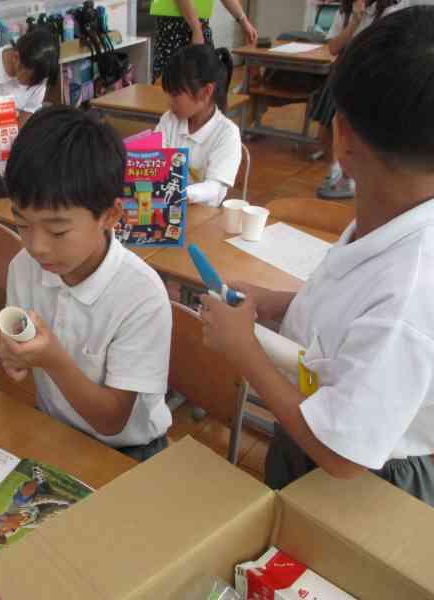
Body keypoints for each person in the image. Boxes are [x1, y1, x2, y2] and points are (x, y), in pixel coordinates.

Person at [200, 6, 434, 506]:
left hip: (366, 479)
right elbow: (355, 310)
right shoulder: (391, 217)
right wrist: (279, 302)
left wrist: (244, 351)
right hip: (315, 421)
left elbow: (342, 455)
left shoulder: (410, 290)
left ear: (341, 137)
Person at [0, 106, 173, 462]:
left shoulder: (142, 296)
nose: (36, 246)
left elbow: (112, 421)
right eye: (22, 224)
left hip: (129, 451)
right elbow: (15, 352)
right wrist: (12, 356)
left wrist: (53, 360)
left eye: (58, 231)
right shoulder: (24, 267)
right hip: (56, 429)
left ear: (110, 215)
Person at [312, 0, 409, 199]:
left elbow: (385, 49)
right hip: (342, 74)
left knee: (358, 134)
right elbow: (333, 47)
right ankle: (335, 171)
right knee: (325, 132)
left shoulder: (390, 9)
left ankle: (350, 178)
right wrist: (354, 21)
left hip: (372, 79)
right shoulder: (346, 10)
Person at [156, 45, 241, 207]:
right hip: (168, 209)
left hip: (205, 214)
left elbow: (214, 188)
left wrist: (181, 194)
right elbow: (155, 161)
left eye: (175, 95)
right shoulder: (169, 120)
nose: (169, 103)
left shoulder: (227, 133)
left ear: (206, 91)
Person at [150, 0, 257, 83]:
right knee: (171, 85)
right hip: (175, 25)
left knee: (203, 82)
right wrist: (196, 29)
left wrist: (243, 20)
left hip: (197, 25)